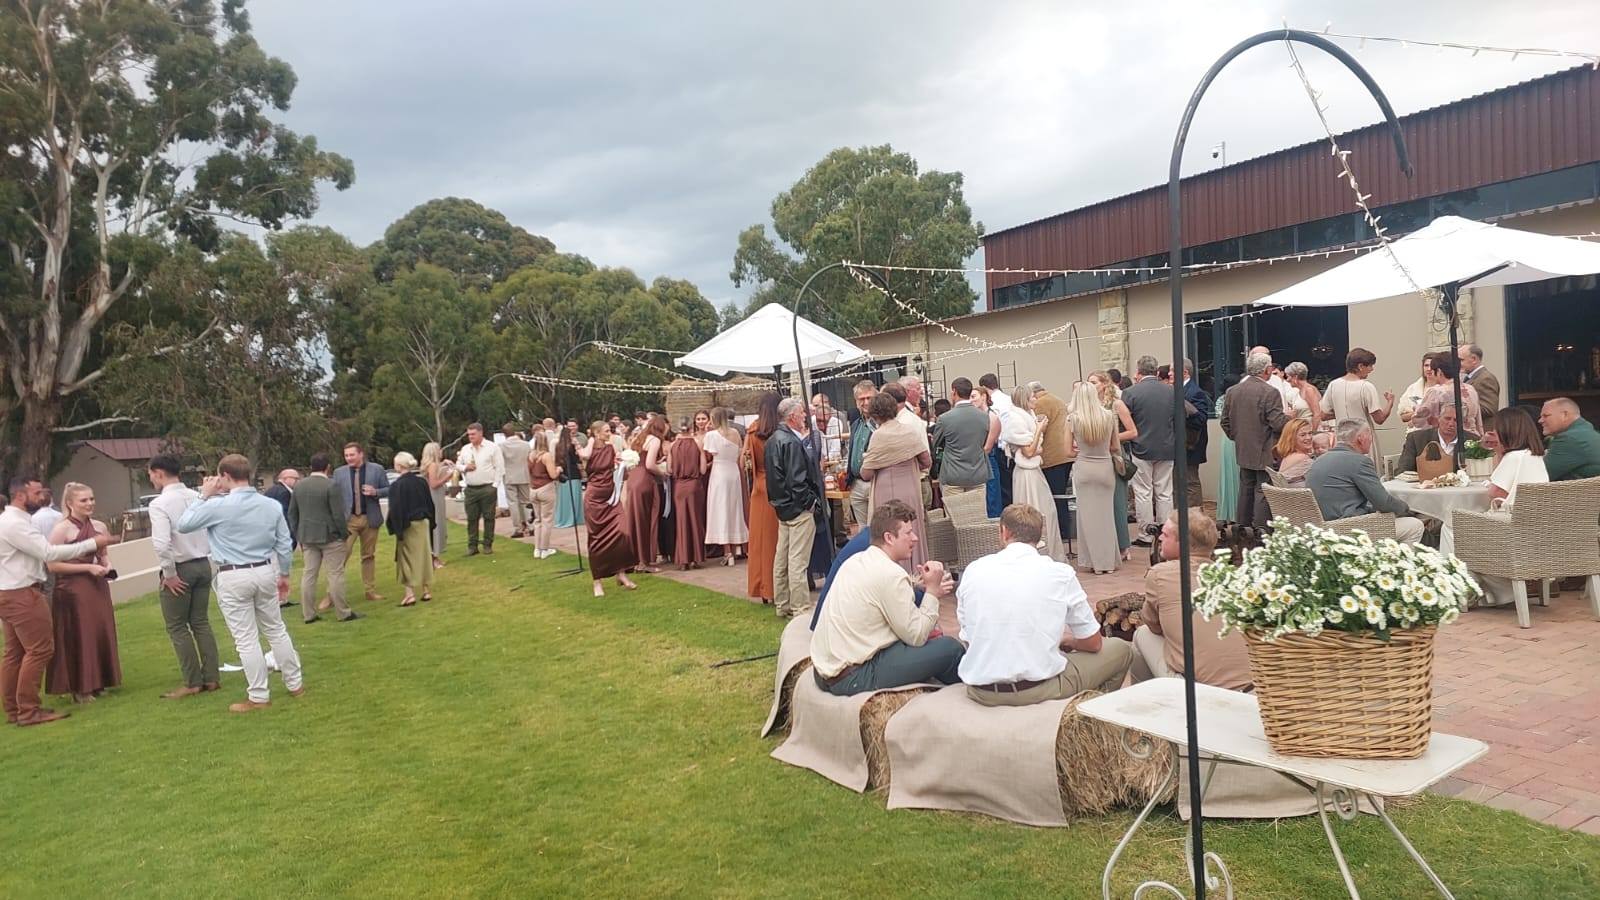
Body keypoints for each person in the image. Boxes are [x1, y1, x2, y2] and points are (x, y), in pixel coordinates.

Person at [958, 503, 1132, 705]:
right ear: (1039, 536)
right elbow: (1094, 643)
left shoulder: (973, 570)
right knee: (1120, 650)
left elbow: (968, 638)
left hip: (981, 690)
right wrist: (1071, 642)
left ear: (1004, 532)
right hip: (1038, 688)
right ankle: (1086, 714)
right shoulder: (1060, 573)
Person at [176, 454, 303, 713]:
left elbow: (184, 524)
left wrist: (203, 495)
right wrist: (284, 574)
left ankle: (259, 695)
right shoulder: (270, 505)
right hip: (265, 569)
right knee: (276, 629)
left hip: (233, 574)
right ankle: (295, 684)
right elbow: (284, 543)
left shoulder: (216, 506)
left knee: (246, 639)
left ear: (225, 476)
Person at [809, 500, 963, 695]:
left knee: (926, 644)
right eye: (908, 533)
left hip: (824, 671)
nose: (915, 538)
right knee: (950, 649)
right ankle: (969, 695)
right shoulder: (890, 574)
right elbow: (916, 636)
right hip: (852, 677)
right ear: (889, 538)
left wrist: (923, 589)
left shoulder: (856, 560)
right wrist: (932, 591)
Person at [1, 476, 115, 726]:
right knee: (40, 650)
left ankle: (14, 709)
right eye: (36, 492)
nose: (43, 496)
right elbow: (49, 553)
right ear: (20, 495)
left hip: (10, 591)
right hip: (21, 593)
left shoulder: (14, 521)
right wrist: (91, 543)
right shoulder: (14, 524)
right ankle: (28, 711)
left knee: (15, 653)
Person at [1130, 510, 1251, 690]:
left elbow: (1153, 624)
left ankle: (1142, 701)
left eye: (1165, 534)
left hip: (1200, 690)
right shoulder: (1230, 577)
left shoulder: (1159, 574)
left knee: (1143, 634)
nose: (1160, 538)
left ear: (1182, 544)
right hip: (1249, 687)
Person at [1454, 407, 1549, 602]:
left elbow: (1495, 492)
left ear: (1507, 431)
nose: (1494, 434)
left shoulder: (1513, 458)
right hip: (1536, 532)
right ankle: (1495, 592)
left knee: (1452, 525)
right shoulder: (1535, 456)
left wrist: (1499, 454)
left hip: (1512, 530)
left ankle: (1459, 589)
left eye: (1497, 430)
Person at [146, 454, 221, 699]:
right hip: (203, 563)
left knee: (177, 626)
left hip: (181, 566)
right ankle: (211, 677)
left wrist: (168, 574)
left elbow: (162, 543)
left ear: (158, 473)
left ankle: (192, 682)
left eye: (151, 474)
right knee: (200, 622)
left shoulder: (160, 504)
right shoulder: (197, 496)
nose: (151, 479)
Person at [44, 483, 121, 704]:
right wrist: (87, 568)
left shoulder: (99, 526)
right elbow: (52, 565)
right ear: (70, 503)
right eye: (84, 500)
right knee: (79, 634)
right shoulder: (61, 529)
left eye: (91, 499)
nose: (89, 503)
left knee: (99, 630)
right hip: (72, 588)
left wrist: (107, 565)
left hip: (97, 585)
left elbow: (103, 554)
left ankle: (100, 681)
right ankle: (80, 687)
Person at [1304, 420, 1425, 543]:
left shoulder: (1319, 461)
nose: (1371, 439)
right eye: (1370, 435)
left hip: (1321, 529)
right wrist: (1408, 509)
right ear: (1361, 439)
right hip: (1348, 529)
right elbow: (1383, 503)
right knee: (1415, 525)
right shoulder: (1359, 461)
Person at [861, 391, 932, 573]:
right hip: (910, 487)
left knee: (890, 531)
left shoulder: (879, 435)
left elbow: (866, 473)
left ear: (875, 414)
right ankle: (918, 572)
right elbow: (926, 461)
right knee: (911, 529)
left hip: (886, 490)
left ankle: (894, 574)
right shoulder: (909, 431)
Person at [765, 398, 822, 619]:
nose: (805, 416)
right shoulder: (790, 442)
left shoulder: (773, 440)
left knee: (782, 558)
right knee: (798, 561)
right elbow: (797, 480)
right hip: (797, 509)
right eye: (801, 413)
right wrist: (810, 503)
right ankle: (800, 608)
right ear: (792, 417)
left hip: (782, 507)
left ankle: (783, 604)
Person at [1222, 353, 1291, 528]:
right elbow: (1277, 423)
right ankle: (1261, 531)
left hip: (1243, 448)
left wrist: (1238, 437)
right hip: (1265, 449)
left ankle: (1242, 529)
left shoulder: (1233, 391)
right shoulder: (1270, 392)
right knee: (1263, 490)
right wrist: (1290, 418)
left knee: (1245, 489)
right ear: (1267, 370)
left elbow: (1225, 421)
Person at [288, 452, 356, 624]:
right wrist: (343, 533)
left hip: (307, 537)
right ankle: (343, 612)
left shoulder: (299, 486)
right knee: (335, 574)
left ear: (311, 467)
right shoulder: (331, 485)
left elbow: (292, 513)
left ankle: (308, 614)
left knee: (309, 574)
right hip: (330, 536)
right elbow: (338, 514)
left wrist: (299, 534)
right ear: (328, 467)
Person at [1001, 384, 1066, 562]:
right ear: (1025, 399)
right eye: (1032, 397)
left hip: (1033, 470)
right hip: (1026, 473)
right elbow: (1029, 451)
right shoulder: (1016, 420)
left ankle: (1048, 552)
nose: (1036, 400)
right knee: (1033, 510)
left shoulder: (1027, 416)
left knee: (1047, 511)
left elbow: (1034, 449)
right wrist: (1039, 429)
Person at [578, 421, 639, 597]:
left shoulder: (611, 448)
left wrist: (624, 465)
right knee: (597, 539)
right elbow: (585, 455)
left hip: (611, 497)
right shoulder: (587, 451)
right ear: (596, 433)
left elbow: (619, 473)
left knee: (623, 532)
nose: (609, 433)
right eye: (605, 431)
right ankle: (597, 581)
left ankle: (621, 573)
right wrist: (590, 440)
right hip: (595, 499)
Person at [1120, 356, 1176, 541]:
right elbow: (1183, 414)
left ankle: (1146, 534)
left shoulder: (1130, 393)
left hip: (1141, 447)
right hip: (1167, 447)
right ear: (1156, 370)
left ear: (1138, 370)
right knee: (1165, 492)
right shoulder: (1171, 391)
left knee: (1143, 492)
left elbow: (1123, 421)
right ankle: (1165, 532)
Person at [1069, 381, 1121, 574]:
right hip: (1105, 467)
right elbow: (1115, 447)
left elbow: (1067, 451)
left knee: (1087, 518)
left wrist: (1081, 449)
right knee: (1106, 516)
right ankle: (1108, 562)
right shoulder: (1109, 416)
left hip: (1084, 468)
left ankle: (1093, 562)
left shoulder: (1073, 419)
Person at [1321, 348, 1396, 473]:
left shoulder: (1333, 385)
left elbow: (1323, 415)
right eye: (1370, 366)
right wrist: (1390, 402)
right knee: (1367, 474)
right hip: (1363, 439)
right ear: (1360, 366)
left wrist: (1340, 412)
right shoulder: (1366, 387)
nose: (1372, 369)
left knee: (1344, 475)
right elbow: (1380, 419)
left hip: (1342, 440)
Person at [1089, 371, 1137, 557]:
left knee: (1117, 501)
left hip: (1114, 455)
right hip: (1095, 455)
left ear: (1104, 384)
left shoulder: (1116, 404)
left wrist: (1112, 438)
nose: (1091, 386)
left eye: (1094, 382)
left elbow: (1133, 431)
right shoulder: (1090, 406)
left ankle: (1123, 545)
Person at [332, 442, 389, 600]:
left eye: (352, 455)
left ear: (361, 454)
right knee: (341, 556)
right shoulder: (339, 473)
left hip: (370, 518)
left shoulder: (377, 469)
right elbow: (333, 496)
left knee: (368, 555)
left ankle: (370, 591)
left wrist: (375, 492)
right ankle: (332, 594)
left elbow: (388, 489)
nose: (349, 458)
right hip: (348, 520)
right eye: (346, 455)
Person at [744, 393, 782, 604]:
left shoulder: (752, 432)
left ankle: (760, 586)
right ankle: (774, 588)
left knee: (758, 541)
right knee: (775, 541)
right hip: (778, 487)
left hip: (759, 488)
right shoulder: (780, 432)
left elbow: (745, 463)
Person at [385, 451, 436, 607]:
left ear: (399, 466)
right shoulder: (421, 482)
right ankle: (426, 590)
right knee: (424, 555)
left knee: (405, 558)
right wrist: (431, 522)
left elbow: (396, 510)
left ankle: (410, 594)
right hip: (423, 523)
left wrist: (397, 530)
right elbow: (429, 503)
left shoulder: (397, 486)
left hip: (408, 525)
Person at [931, 377, 992, 498]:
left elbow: (935, 444)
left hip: (953, 474)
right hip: (977, 473)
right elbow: (983, 442)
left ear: (954, 391)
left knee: (955, 510)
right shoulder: (984, 416)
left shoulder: (944, 418)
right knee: (977, 509)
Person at [624, 414, 668, 573]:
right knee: (645, 520)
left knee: (634, 519)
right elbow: (649, 464)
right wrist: (662, 473)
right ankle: (644, 562)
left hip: (633, 478)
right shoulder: (655, 440)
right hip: (644, 480)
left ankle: (633, 559)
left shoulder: (639, 438)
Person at [704, 407, 748, 565]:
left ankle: (727, 552)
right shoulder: (735, 433)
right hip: (733, 471)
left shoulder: (711, 435)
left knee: (721, 510)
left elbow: (709, 453)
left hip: (719, 473)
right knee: (734, 509)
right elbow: (740, 451)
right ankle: (736, 547)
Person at [456, 423, 505, 557]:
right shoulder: (466, 449)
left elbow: (500, 467)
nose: (471, 437)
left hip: (487, 487)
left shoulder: (492, 447)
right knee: (472, 518)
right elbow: (458, 464)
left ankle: (488, 544)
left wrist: (495, 485)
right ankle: (472, 546)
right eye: (469, 434)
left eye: (473, 434)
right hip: (471, 488)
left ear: (480, 433)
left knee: (489, 517)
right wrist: (465, 467)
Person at [1034, 382, 1074, 544]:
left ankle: (1062, 530)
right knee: (1062, 493)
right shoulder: (1057, 399)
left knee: (1055, 496)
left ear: (1034, 394)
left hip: (1052, 456)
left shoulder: (1041, 403)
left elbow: (1039, 428)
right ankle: (1065, 529)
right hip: (1065, 455)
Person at [1414, 351, 1484, 443]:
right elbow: (1478, 420)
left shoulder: (1437, 391)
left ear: (1439, 372)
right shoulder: (1471, 389)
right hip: (1472, 440)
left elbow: (1420, 420)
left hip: (1449, 440)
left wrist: (1416, 409)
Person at [669, 418, 708, 570]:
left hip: (679, 486)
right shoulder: (698, 443)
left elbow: (669, 470)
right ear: (691, 428)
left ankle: (683, 559)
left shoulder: (673, 445)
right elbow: (703, 470)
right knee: (695, 520)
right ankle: (696, 558)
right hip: (694, 485)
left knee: (681, 521)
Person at [1398, 404, 1476, 474]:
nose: (1451, 424)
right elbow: (1403, 470)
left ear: (1463, 423)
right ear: (1439, 418)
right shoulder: (1416, 439)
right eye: (1447, 418)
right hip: (1425, 484)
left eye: (1456, 420)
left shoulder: (1472, 440)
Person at [844, 380, 878, 532]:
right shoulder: (855, 424)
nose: (865, 402)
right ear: (856, 402)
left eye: (869, 398)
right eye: (861, 399)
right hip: (856, 484)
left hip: (875, 482)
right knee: (863, 531)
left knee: (878, 529)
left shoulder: (881, 423)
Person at [1539, 398, 1600, 481]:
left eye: (1546, 416)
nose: (1540, 420)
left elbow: (1538, 477)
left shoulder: (1570, 439)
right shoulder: (1584, 432)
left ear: (1565, 415)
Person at [980, 373, 1015, 514]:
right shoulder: (1009, 399)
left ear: (984, 388)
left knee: (998, 488)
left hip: (998, 446)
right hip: (1010, 445)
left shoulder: (991, 404)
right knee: (1008, 486)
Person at [1181, 359, 1211, 512]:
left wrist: (1184, 406)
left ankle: (1194, 516)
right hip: (1180, 445)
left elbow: (1200, 419)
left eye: (1173, 370)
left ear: (1185, 372)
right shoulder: (1177, 390)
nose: (1170, 374)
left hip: (1192, 445)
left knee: (1191, 482)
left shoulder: (1195, 392)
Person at [419, 442, 454, 567]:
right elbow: (434, 484)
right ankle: (434, 556)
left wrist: (443, 463)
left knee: (436, 524)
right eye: (439, 450)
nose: (441, 452)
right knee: (436, 524)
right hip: (434, 497)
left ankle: (434, 555)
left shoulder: (431, 465)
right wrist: (448, 476)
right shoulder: (432, 465)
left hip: (433, 496)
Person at [527, 431, 561, 560]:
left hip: (533, 489)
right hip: (546, 488)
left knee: (538, 520)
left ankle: (537, 548)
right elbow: (553, 475)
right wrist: (559, 469)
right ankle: (544, 549)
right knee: (547, 520)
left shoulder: (530, 455)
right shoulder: (546, 456)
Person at [500, 423, 533, 539]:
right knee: (526, 501)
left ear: (504, 434)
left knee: (513, 503)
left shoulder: (501, 446)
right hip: (524, 475)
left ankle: (518, 528)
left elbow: (500, 461)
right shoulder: (525, 445)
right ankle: (530, 526)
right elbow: (530, 459)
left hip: (509, 476)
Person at [554, 421, 587, 530]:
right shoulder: (572, 446)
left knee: (564, 499)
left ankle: (563, 518)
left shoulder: (558, 446)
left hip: (563, 475)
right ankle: (574, 518)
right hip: (573, 474)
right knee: (574, 498)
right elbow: (577, 460)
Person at [1459, 343, 1500, 423]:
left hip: (1482, 428)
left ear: (1474, 359)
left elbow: (1489, 409)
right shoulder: (1471, 377)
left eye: (1461, 360)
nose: (1458, 364)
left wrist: (1460, 408)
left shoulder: (1486, 379)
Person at [1274, 418, 1320, 486]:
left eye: (1310, 433)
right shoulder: (1303, 458)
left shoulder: (1289, 456)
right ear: (1291, 438)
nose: (1308, 437)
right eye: (1303, 435)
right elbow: (1321, 480)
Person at [1398, 354, 1434, 432]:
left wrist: (1418, 416)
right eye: (1426, 365)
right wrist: (1419, 413)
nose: (1429, 369)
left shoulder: (1443, 389)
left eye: (1432, 366)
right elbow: (1403, 416)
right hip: (1415, 434)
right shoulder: (1413, 388)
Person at [811, 394, 846, 461]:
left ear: (830, 417)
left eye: (825, 421)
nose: (822, 424)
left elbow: (836, 448)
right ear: (815, 416)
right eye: (819, 421)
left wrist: (825, 459)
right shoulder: (811, 422)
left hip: (833, 460)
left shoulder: (836, 422)